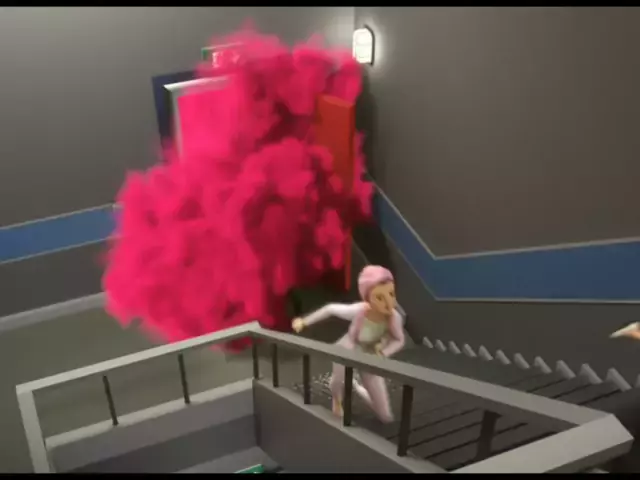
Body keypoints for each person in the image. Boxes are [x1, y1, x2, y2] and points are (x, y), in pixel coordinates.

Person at [291, 265, 405, 423]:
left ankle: (356, 387)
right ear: (368, 299)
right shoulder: (360, 311)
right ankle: (337, 400)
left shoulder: (394, 318)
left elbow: (399, 340)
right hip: (348, 349)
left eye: (391, 294)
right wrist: (304, 321)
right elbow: (331, 309)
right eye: (380, 298)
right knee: (338, 381)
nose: (388, 303)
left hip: (370, 356)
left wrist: (383, 353)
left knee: (386, 417)